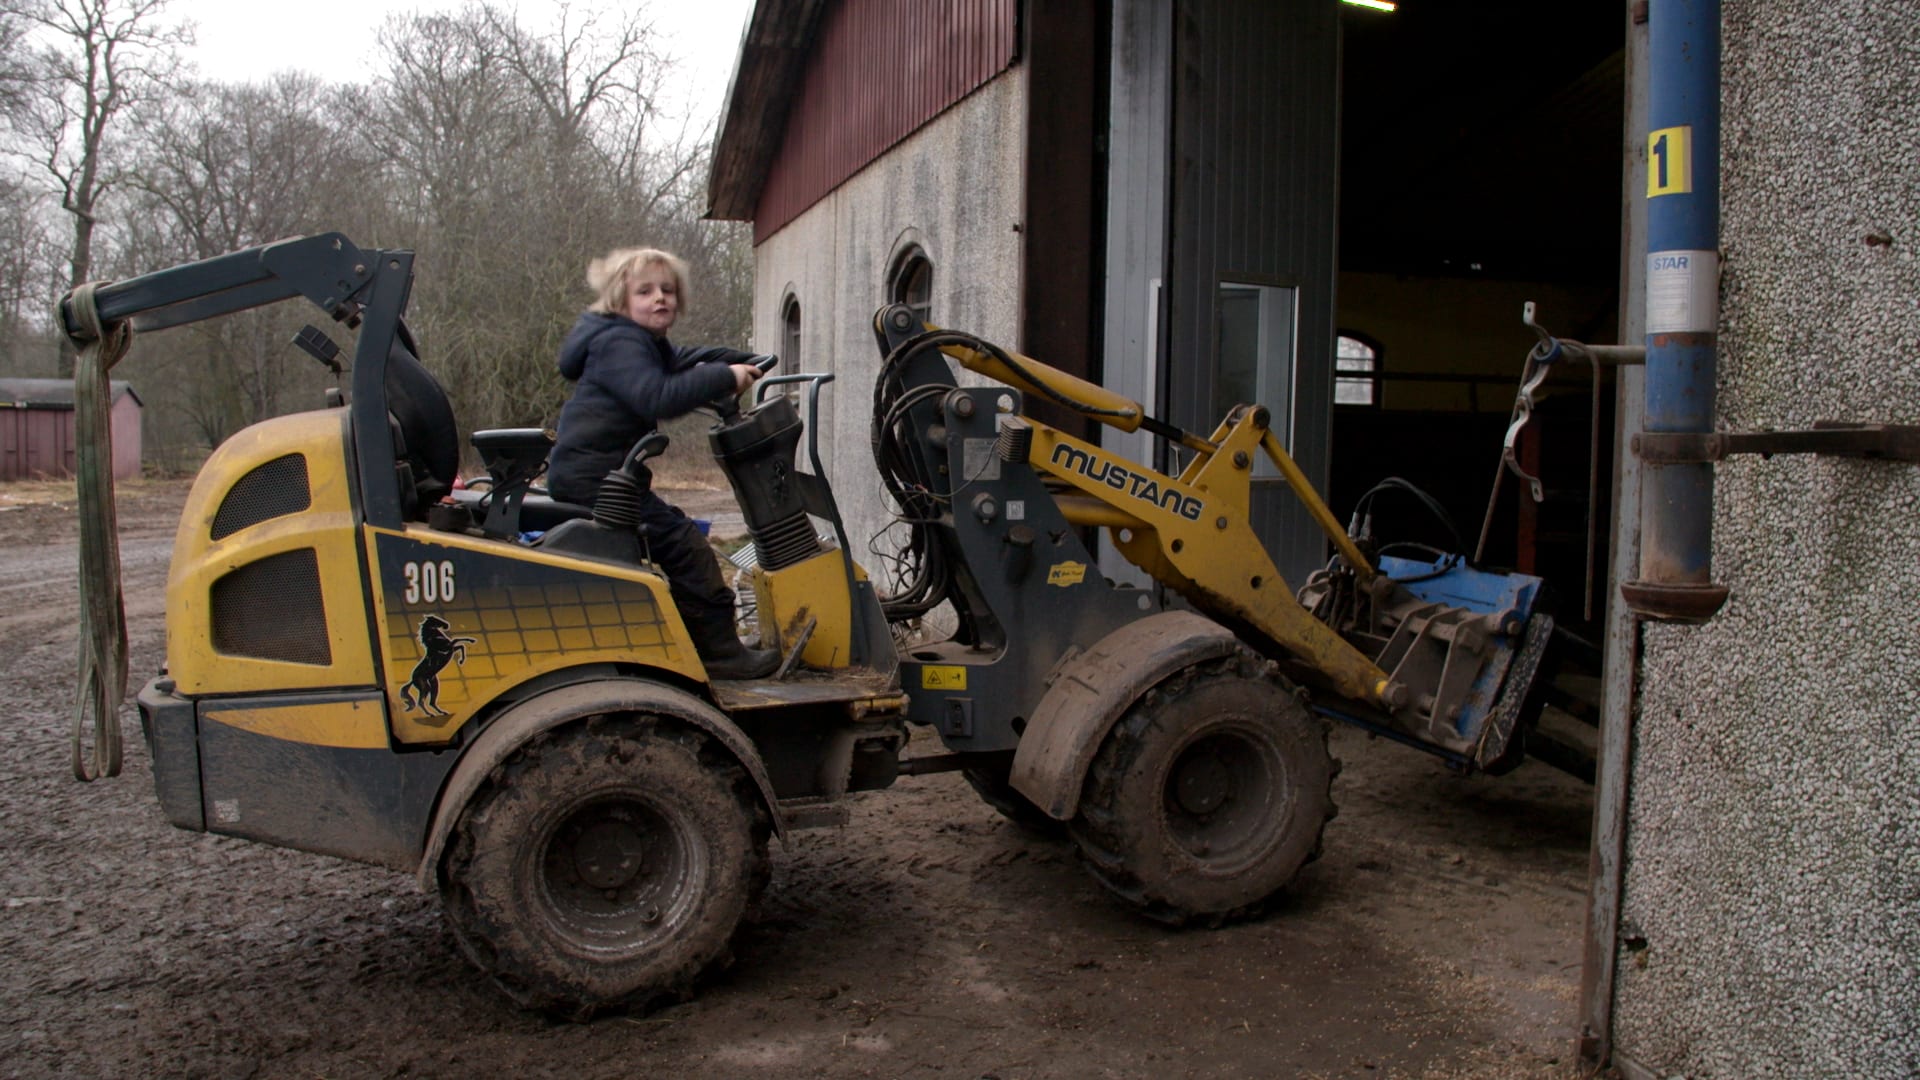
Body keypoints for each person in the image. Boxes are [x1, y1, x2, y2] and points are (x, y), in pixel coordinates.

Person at [547, 246, 780, 680]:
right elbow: (657, 396)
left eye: (667, 290)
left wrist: (742, 359)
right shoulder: (619, 343)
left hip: (596, 473)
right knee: (684, 545)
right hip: (597, 478)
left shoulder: (639, 341)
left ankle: (696, 642)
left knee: (673, 536)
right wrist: (725, 377)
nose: (660, 298)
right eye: (645, 291)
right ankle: (720, 655)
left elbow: (681, 359)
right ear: (620, 300)